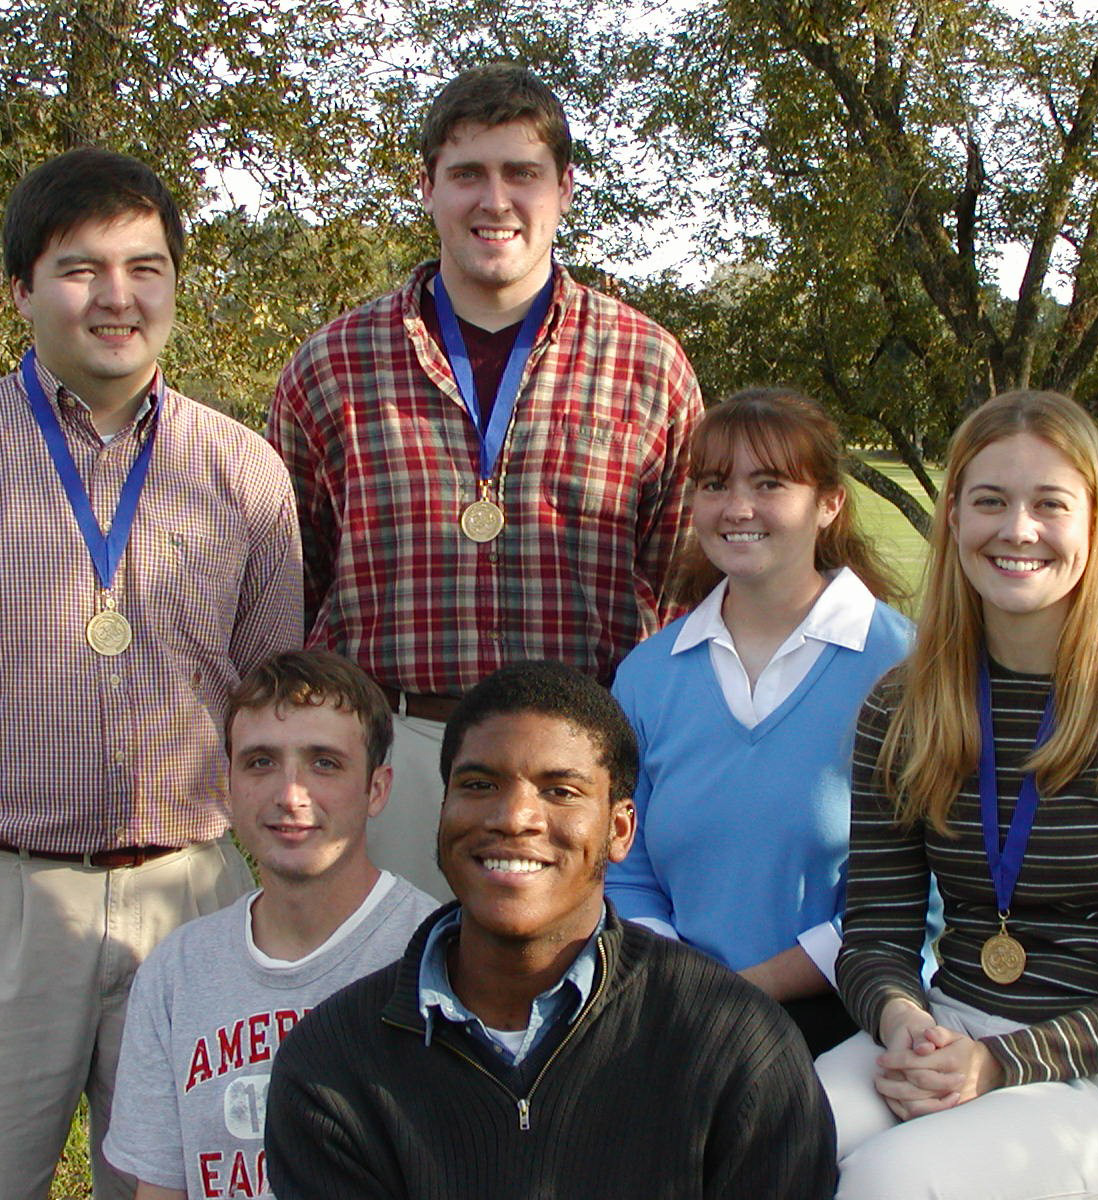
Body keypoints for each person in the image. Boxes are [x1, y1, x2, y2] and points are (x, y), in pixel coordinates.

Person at [0, 148, 302, 1200]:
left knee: (195, 1185)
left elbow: (271, 689)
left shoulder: (242, 471)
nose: (117, 297)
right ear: (18, 290)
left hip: (191, 899)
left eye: (146, 266)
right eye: (80, 268)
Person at [267, 64, 703, 899]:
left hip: (578, 762)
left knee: (571, 1014)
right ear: (426, 187)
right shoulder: (332, 367)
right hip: (394, 754)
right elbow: (296, 581)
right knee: (384, 1010)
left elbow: (681, 587)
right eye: (467, 173)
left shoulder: (648, 365)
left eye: (522, 174)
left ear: (565, 188)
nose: (494, 200)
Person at [817, 390, 1098, 1200]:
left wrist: (1002, 1064)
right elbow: (875, 932)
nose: (1017, 530)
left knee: (892, 1183)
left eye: (1050, 504)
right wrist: (903, 1021)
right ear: (953, 521)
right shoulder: (903, 706)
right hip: (947, 1028)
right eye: (989, 502)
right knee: (758, 1134)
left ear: (1094, 526)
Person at [262, 661, 838, 1199]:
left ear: (619, 829)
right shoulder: (334, 1063)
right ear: (442, 812)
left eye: (560, 791)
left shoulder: (735, 1043)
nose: (514, 818)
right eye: (479, 785)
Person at [607, 388, 918, 1056]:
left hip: (856, 1024)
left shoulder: (908, 668)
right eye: (715, 484)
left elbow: (934, 893)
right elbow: (621, 867)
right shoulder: (648, 674)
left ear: (830, 503)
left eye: (769, 483)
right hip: (671, 1014)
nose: (737, 508)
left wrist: (749, 986)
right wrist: (681, 982)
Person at [103, 650, 437, 1200]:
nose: (290, 794)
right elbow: (160, 1187)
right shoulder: (178, 971)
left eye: (324, 763)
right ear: (228, 781)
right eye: (260, 762)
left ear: (377, 789)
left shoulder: (431, 960)